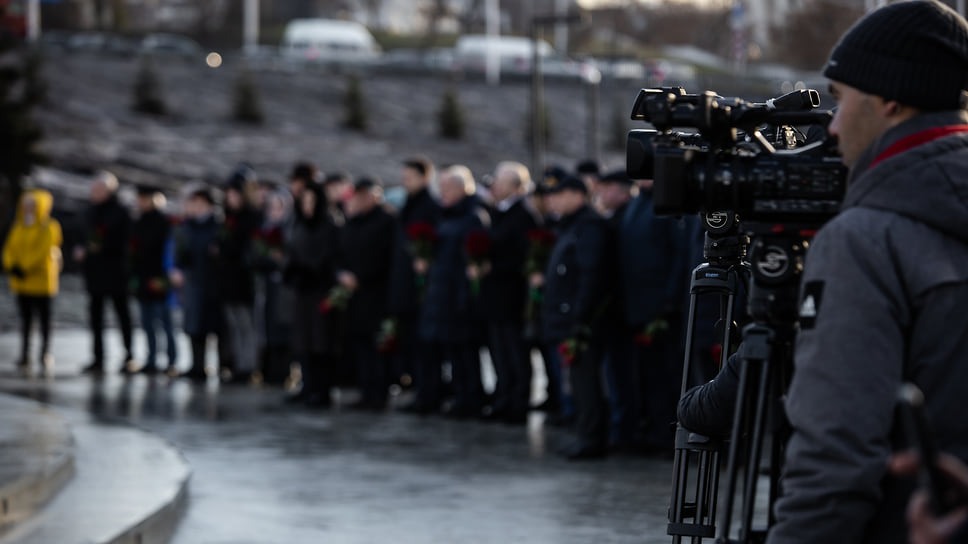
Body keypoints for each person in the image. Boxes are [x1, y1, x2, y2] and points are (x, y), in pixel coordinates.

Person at [766, 2, 968, 542]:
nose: (831, 126)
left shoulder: (863, 239)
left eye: (841, 100)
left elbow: (834, 460)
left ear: (889, 102)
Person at [620, 172, 694, 453]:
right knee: (645, 375)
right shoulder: (637, 204)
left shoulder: (669, 205)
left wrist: (668, 299)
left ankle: (667, 435)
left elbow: (678, 255)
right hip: (637, 306)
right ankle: (650, 430)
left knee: (667, 376)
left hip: (662, 308)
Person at [541, 175, 609, 460]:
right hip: (568, 316)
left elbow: (590, 275)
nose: (553, 200)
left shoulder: (589, 226)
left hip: (582, 319)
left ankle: (592, 437)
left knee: (587, 380)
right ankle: (584, 433)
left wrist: (578, 314)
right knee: (578, 381)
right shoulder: (572, 225)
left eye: (559, 194)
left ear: (577, 195)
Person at [415, 165, 489, 417]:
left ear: (462, 188)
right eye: (441, 187)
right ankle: (458, 396)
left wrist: (465, 298)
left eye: (447, 188)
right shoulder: (446, 216)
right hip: (441, 296)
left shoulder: (473, 217)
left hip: (459, 298)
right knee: (452, 352)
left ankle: (471, 399)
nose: (442, 193)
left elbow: (472, 262)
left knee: (465, 352)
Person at [479, 161, 538, 425]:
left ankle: (518, 403)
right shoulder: (499, 212)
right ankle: (503, 398)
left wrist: (494, 266)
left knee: (515, 353)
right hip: (495, 296)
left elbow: (526, 257)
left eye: (500, 181)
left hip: (512, 296)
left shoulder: (523, 215)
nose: (494, 186)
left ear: (516, 186)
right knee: (499, 353)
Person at [338, 177, 397, 411]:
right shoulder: (353, 222)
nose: (360, 200)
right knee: (360, 344)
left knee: (378, 345)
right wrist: (342, 274)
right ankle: (366, 390)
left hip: (377, 293)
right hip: (354, 294)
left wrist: (361, 277)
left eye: (365, 195)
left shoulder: (387, 221)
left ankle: (380, 392)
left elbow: (386, 257)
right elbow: (341, 252)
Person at [284, 182, 340, 408]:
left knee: (321, 342)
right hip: (303, 290)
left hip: (321, 290)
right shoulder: (299, 225)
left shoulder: (329, 225)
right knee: (303, 341)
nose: (307, 206)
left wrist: (312, 272)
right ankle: (308, 386)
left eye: (311, 202)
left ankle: (322, 389)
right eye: (303, 201)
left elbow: (330, 257)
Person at [75, 171, 135, 375]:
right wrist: (82, 249)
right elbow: (81, 236)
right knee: (95, 317)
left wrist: (103, 246)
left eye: (99, 190)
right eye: (93, 190)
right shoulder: (88, 211)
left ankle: (129, 356)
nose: (95, 193)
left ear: (110, 191)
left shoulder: (121, 212)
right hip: (94, 273)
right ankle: (98, 358)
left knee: (122, 315)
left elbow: (128, 242)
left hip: (116, 272)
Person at [391, 156, 441, 399]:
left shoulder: (430, 207)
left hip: (423, 288)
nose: (405, 182)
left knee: (426, 344)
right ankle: (420, 389)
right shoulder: (407, 205)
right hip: (406, 286)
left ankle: (429, 391)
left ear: (424, 178)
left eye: (409, 178)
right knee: (412, 341)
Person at [2, 189, 62, 377]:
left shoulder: (49, 226)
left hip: (42, 281)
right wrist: (12, 266)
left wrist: (24, 267)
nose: (28, 208)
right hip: (22, 282)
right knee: (25, 319)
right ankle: (25, 353)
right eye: (26, 205)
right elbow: (8, 249)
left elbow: (44, 251)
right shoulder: (19, 226)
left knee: (44, 319)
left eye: (32, 205)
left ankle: (44, 352)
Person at [171, 187, 223, 381]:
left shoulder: (217, 227)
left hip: (212, 284)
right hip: (193, 283)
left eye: (199, 204)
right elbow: (179, 254)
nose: (195, 208)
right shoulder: (185, 227)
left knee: (213, 328)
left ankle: (221, 365)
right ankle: (196, 365)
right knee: (193, 327)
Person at [218, 167, 262, 383]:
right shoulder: (229, 218)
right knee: (234, 325)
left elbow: (248, 249)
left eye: (234, 193)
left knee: (246, 325)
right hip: (228, 279)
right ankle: (238, 363)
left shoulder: (252, 217)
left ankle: (248, 366)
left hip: (244, 280)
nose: (230, 197)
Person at [129, 185, 177, 376]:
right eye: (140, 198)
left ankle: (171, 361)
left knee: (165, 323)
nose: (142, 202)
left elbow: (168, 253)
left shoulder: (164, 222)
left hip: (160, 279)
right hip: (142, 278)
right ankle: (151, 359)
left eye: (145, 198)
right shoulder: (138, 221)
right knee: (147, 323)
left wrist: (164, 278)